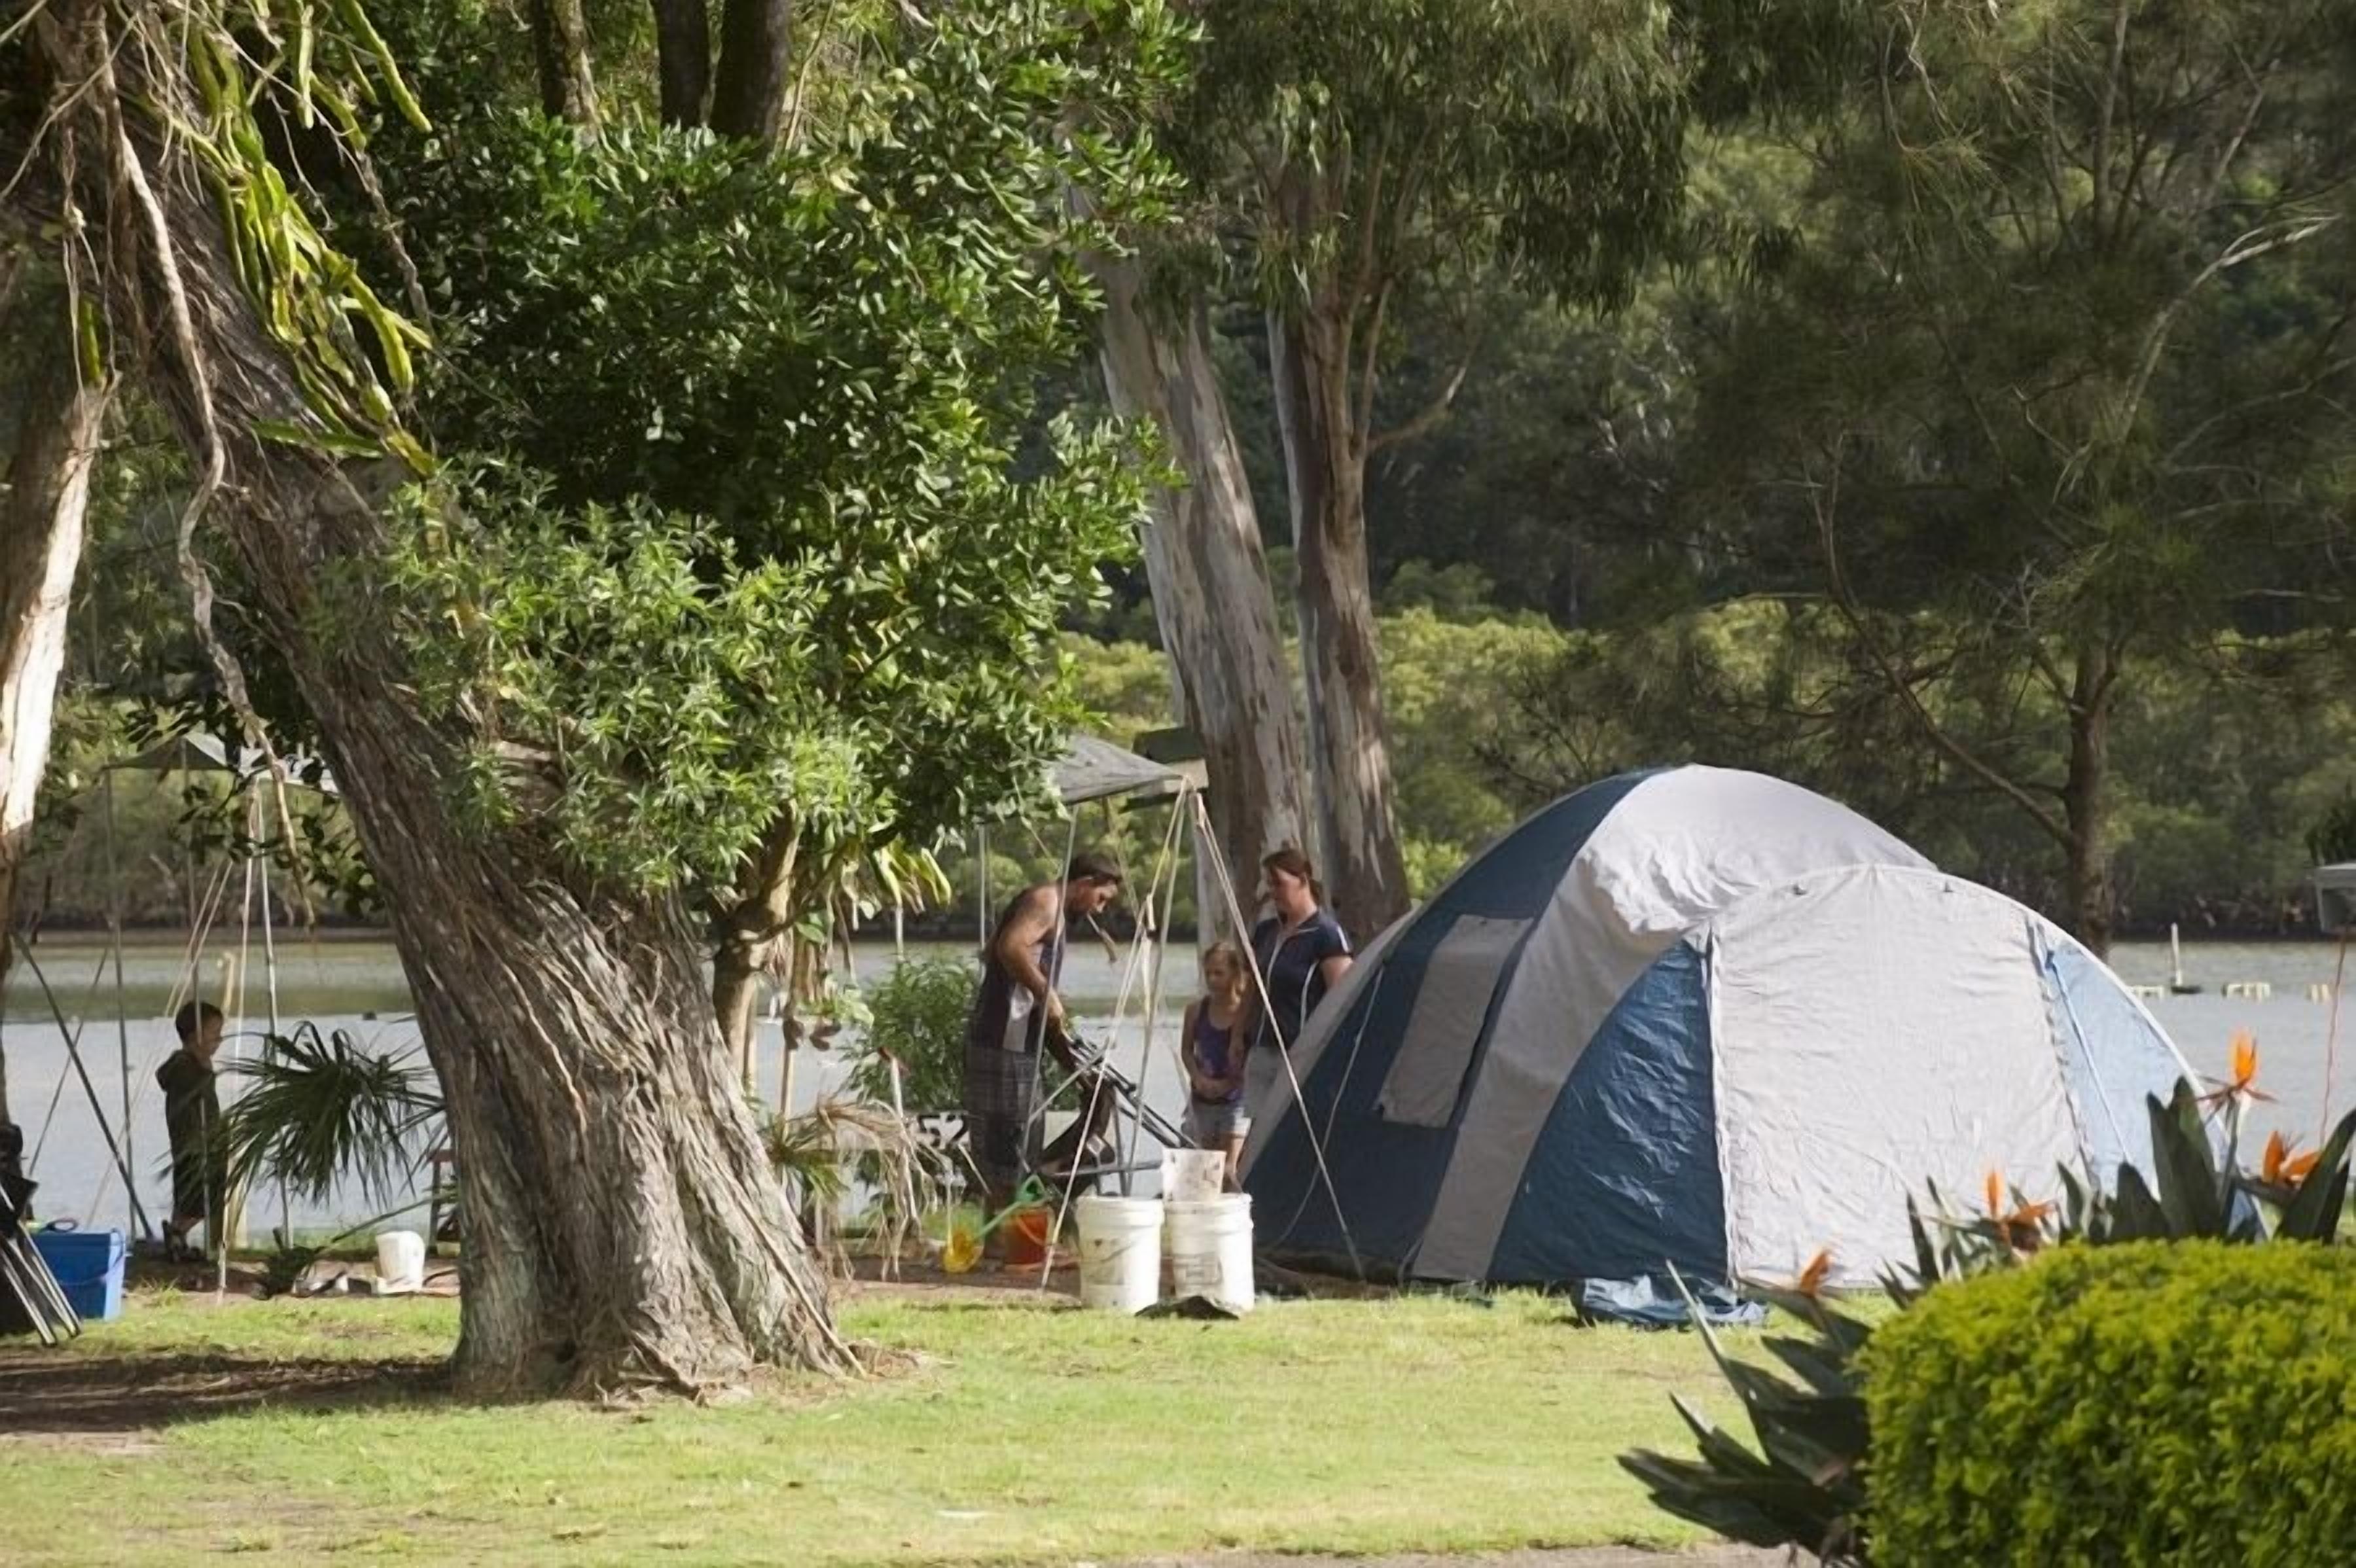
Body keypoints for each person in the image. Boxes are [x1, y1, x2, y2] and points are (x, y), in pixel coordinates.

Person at [961, 851, 1124, 1251]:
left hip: (1023, 1044)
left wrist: (1071, 1054)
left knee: (1018, 1144)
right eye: (1101, 899)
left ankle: (1007, 1241)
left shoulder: (1059, 915)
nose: (1100, 910)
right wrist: (1045, 992)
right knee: (1006, 1140)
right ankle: (1002, 1243)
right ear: (1085, 883)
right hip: (1003, 1042)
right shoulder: (1045, 901)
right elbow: (1009, 947)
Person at [1247, 848, 1353, 1111]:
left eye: (1279, 884)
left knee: (1288, 1124)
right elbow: (1252, 989)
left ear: (1303, 881)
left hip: (1300, 1051)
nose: (1274, 892)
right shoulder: (1266, 932)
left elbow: (1342, 999)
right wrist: (1239, 1036)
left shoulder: (1326, 934)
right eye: (1270, 885)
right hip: (1261, 1049)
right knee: (1255, 1128)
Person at [156, 1000, 226, 1262]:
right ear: (197, 1037)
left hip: (197, 1143)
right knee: (203, 1199)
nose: (219, 1040)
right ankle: (176, 1232)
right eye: (214, 1034)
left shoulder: (190, 1065)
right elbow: (193, 1095)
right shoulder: (187, 1067)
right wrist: (206, 1070)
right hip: (195, 1144)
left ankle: (178, 1241)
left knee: (188, 1198)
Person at [1179, 941, 1253, 1189]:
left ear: (1235, 974)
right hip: (1202, 1098)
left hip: (1234, 1100)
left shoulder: (1245, 1013)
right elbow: (1187, 1050)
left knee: (1228, 1169)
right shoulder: (1196, 1010)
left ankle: (1232, 1216)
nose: (1212, 980)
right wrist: (1198, 1077)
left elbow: (1252, 1059)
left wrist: (1229, 1083)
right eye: (1208, 973)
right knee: (1202, 1167)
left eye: (1219, 973)